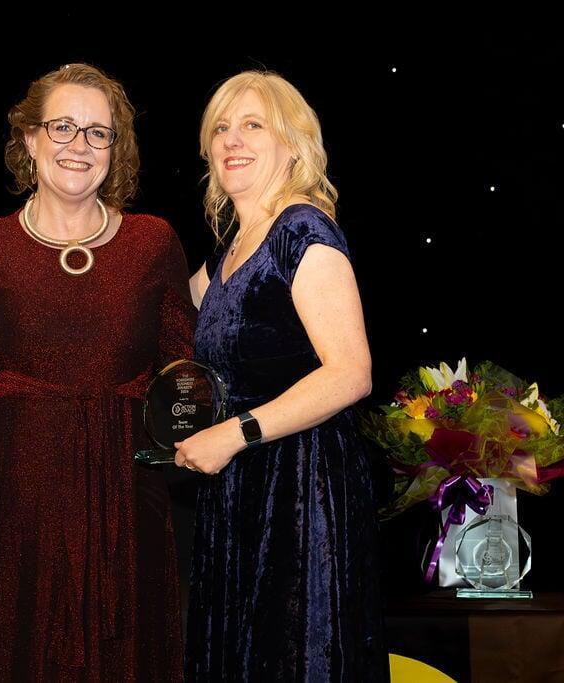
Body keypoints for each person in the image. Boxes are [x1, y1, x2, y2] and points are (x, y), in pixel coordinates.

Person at [0, 63, 194, 680]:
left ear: (115, 148)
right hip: (13, 497)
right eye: (62, 127)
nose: (80, 145)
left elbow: (183, 371)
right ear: (29, 139)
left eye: (98, 132)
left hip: (127, 497)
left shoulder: (153, 241)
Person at [179, 71, 388, 681]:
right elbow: (158, 311)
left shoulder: (302, 230)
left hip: (300, 487)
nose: (232, 139)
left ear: (292, 145)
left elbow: (351, 373)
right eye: (221, 127)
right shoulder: (230, 249)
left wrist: (234, 433)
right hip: (240, 487)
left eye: (253, 125)